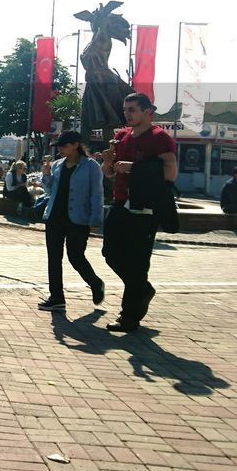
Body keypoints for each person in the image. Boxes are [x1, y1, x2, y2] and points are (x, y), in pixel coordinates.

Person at [100, 92, 177, 333]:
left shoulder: (159, 138)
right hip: (120, 203)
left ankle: (130, 316)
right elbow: (110, 174)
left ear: (147, 111)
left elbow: (170, 173)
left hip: (145, 208)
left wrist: (136, 168)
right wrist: (107, 161)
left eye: (132, 109)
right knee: (110, 253)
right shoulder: (121, 137)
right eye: (125, 109)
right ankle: (143, 289)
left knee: (138, 263)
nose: (127, 114)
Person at [38, 130, 106, 311]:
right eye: (58, 146)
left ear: (76, 144)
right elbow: (50, 191)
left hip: (78, 219)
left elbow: (97, 195)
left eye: (64, 146)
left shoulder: (91, 166)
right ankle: (56, 297)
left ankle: (95, 283)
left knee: (75, 256)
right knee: (54, 258)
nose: (59, 149)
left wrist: (95, 219)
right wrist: (45, 175)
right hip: (54, 217)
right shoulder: (57, 165)